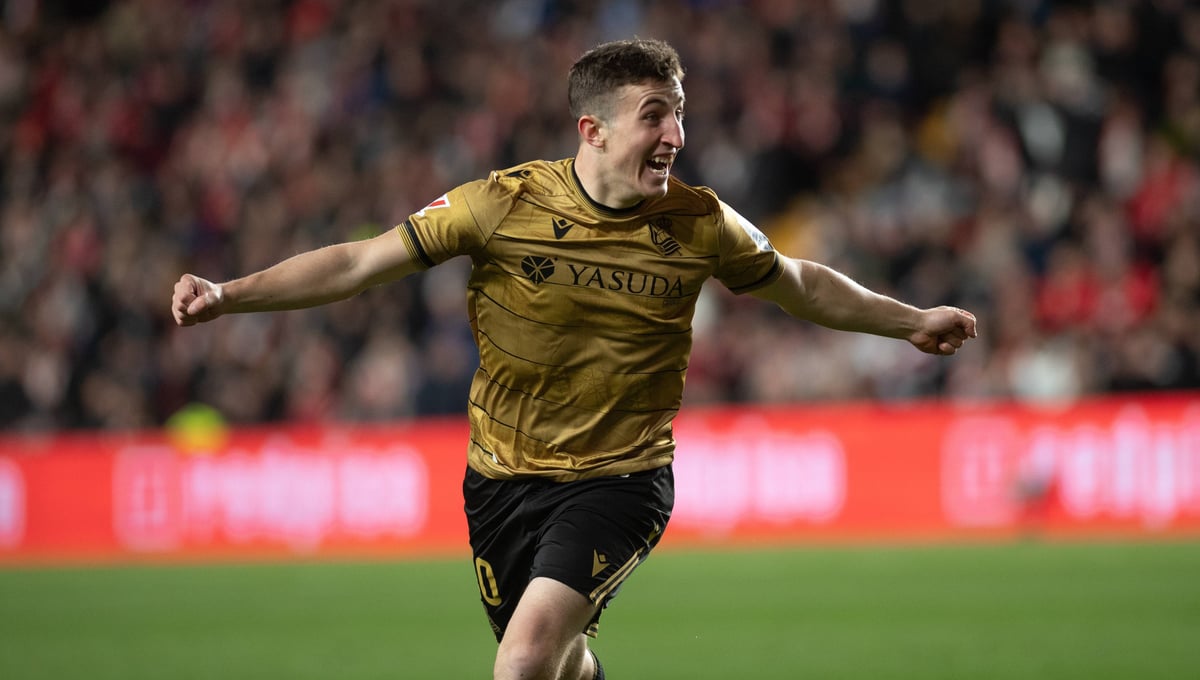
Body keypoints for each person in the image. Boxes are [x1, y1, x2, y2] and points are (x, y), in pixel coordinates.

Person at [171, 38, 977, 680]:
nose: (676, 137)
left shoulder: (701, 222)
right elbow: (356, 263)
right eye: (655, 116)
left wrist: (907, 321)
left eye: (680, 115)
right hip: (499, 480)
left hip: (620, 478)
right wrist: (229, 293)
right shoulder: (500, 204)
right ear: (593, 130)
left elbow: (798, 284)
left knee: (522, 664)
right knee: (560, 663)